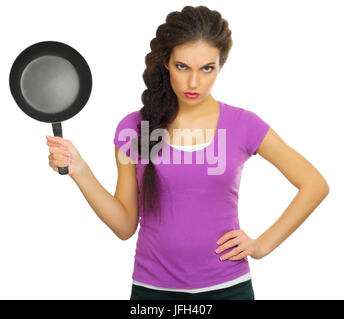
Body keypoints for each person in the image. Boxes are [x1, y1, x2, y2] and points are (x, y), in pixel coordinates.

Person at [46, 5, 330, 300]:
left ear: (221, 65)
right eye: (183, 66)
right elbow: (125, 225)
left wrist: (262, 245)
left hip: (228, 289)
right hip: (152, 292)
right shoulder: (133, 128)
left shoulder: (243, 125)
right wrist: (81, 171)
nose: (194, 83)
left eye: (207, 68)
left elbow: (314, 184)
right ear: (166, 62)